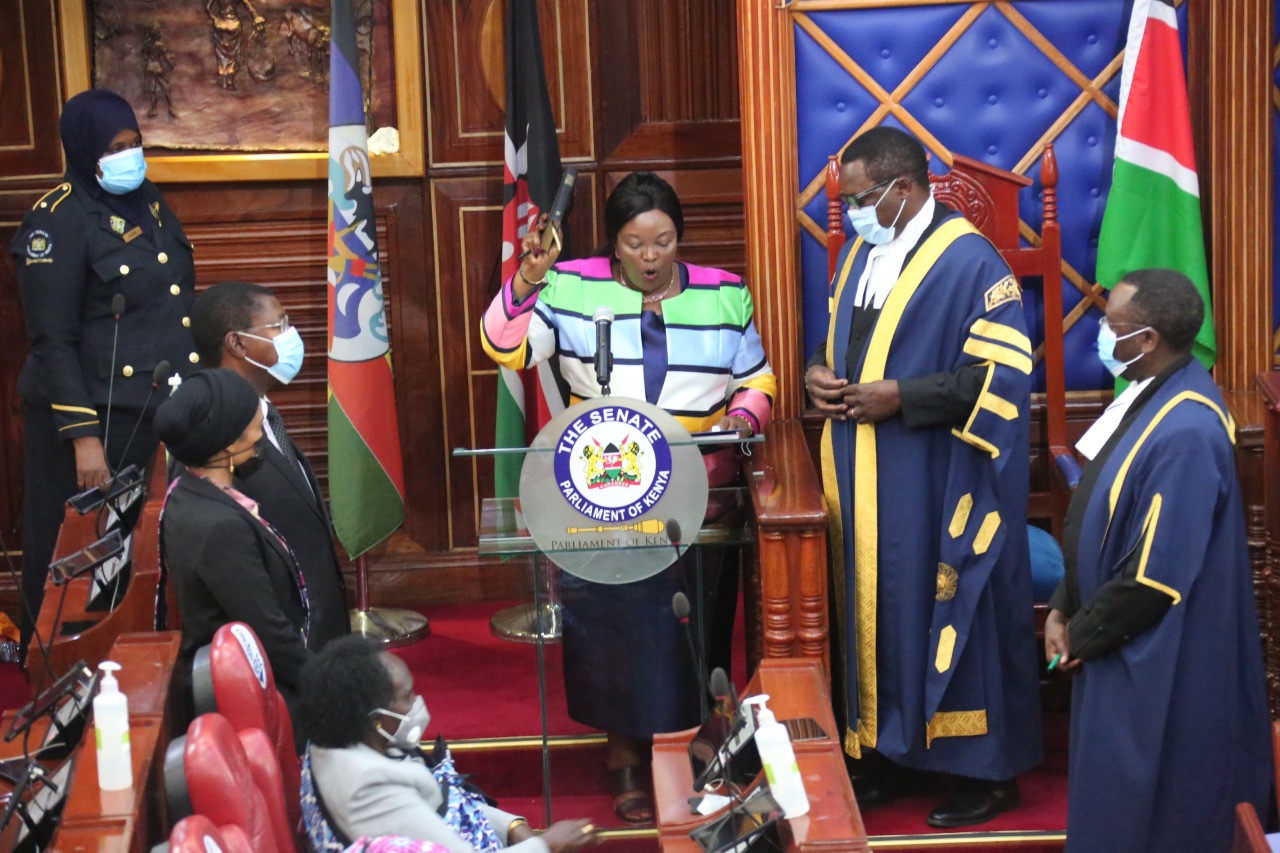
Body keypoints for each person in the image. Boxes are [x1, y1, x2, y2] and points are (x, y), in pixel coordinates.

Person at [480, 171, 776, 823]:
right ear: (614, 244)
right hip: (605, 489)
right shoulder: (571, 283)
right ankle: (623, 753)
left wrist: (745, 418)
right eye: (634, 244)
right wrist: (528, 278)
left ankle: (698, 741)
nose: (649, 257)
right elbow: (504, 345)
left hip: (701, 491)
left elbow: (755, 378)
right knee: (614, 626)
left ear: (680, 239)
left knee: (692, 623)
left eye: (664, 242)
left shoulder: (724, 293)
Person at [806, 127, 1041, 827]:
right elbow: (839, 341)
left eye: (857, 198)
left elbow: (1004, 376)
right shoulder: (861, 254)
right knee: (873, 614)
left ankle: (986, 772)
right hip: (862, 474)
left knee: (944, 606)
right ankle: (886, 751)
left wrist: (900, 397)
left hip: (942, 475)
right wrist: (818, 372)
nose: (849, 212)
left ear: (902, 189)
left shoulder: (972, 261)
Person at [1044, 269, 1270, 852]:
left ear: (1146, 339)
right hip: (1107, 627)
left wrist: (1081, 635)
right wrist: (1064, 606)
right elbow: (1096, 511)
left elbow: (1154, 576)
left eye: (1110, 325)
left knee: (1147, 813)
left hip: (1159, 654)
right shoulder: (1151, 394)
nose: (1100, 333)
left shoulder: (1190, 429)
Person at [10, 88, 198, 653]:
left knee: (131, 546)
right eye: (117, 146)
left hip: (147, 410)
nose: (130, 156)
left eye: (135, 142)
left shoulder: (149, 201)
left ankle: (128, 651)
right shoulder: (56, 220)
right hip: (87, 418)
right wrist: (84, 437)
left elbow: (169, 296)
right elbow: (52, 340)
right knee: (73, 547)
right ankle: (51, 655)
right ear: (86, 149)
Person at [297, 636, 597, 853]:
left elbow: (443, 803)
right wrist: (546, 844)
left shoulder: (340, 738)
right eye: (408, 697)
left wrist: (509, 826)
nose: (418, 703)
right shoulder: (370, 786)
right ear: (376, 719)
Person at [191, 281, 350, 650]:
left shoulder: (262, 412)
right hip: (282, 649)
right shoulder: (221, 439)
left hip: (318, 632)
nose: (291, 336)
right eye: (279, 326)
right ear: (237, 343)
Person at [154, 369, 312, 716]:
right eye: (256, 428)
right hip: (257, 700)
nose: (261, 436)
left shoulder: (185, 490)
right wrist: (326, 685)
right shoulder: (220, 527)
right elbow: (268, 633)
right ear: (228, 443)